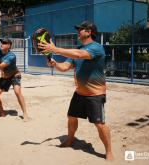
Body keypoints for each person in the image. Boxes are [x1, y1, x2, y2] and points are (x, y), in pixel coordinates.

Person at [38, 20, 113, 160]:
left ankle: (109, 152)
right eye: (78, 29)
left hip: (95, 94)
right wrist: (54, 63)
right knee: (71, 117)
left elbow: (79, 55)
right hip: (79, 93)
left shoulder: (96, 48)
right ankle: (70, 140)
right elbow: (65, 67)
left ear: (89, 32)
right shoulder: (77, 49)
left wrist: (54, 49)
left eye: (81, 29)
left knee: (99, 124)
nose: (78, 31)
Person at [0, 38, 29, 121]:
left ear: (9, 45)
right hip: (5, 77)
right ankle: (2, 112)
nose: (1, 44)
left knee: (17, 92)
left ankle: (25, 114)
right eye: (1, 42)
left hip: (14, 75)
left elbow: (1, 66)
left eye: (4, 43)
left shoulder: (11, 56)